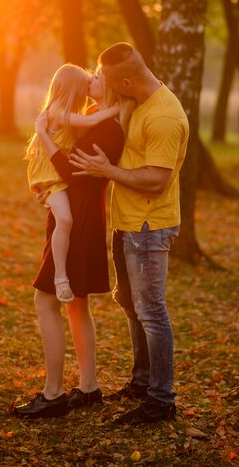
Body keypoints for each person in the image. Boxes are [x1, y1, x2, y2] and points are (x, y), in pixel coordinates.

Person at [70, 42, 189, 425]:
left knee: (151, 310)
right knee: (130, 302)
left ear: (124, 80)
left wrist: (108, 172)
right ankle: (142, 381)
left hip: (149, 226)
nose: (101, 84)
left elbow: (156, 180)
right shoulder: (134, 101)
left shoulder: (165, 116)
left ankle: (161, 399)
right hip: (127, 223)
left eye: (106, 80)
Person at [14, 67, 133, 420]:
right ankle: (89, 387)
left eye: (96, 76)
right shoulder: (93, 121)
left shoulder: (106, 128)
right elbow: (63, 171)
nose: (90, 80)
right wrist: (46, 189)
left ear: (108, 88)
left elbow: (67, 171)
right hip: (77, 215)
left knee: (46, 299)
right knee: (76, 305)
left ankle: (54, 394)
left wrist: (42, 137)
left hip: (79, 220)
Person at [25, 63, 119, 303]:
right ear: (73, 90)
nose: (89, 86)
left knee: (65, 220)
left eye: (93, 80)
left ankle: (60, 277)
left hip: (57, 179)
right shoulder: (59, 113)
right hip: (49, 176)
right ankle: (60, 277)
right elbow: (90, 123)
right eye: (86, 83)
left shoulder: (76, 115)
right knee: (65, 219)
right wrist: (116, 109)